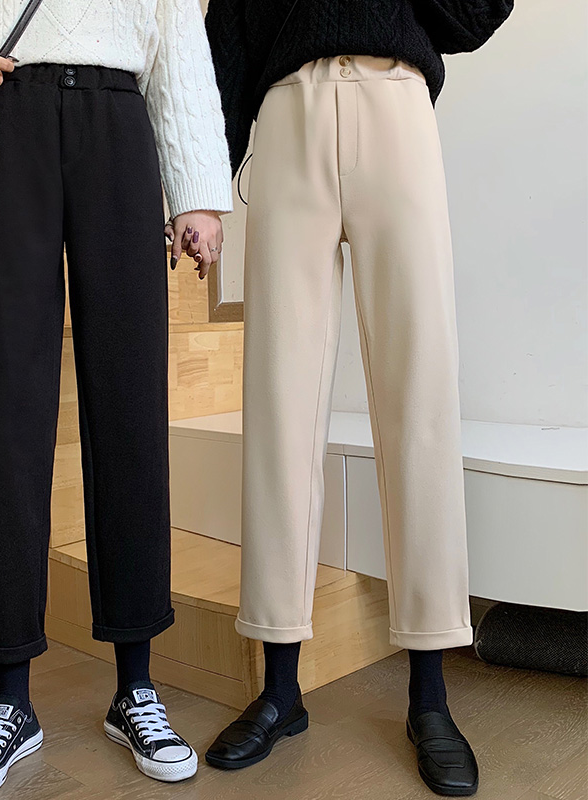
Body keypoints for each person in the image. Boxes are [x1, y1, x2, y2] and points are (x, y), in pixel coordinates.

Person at [0, 1, 232, 796]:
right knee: (5, 407)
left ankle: (136, 688)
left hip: (120, 123)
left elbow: (180, 48)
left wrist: (197, 191)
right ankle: (10, 700)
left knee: (130, 403)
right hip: (8, 115)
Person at [204, 0, 513, 795]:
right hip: (285, 114)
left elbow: (475, 15)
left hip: (396, 105)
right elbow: (228, 32)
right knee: (279, 404)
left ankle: (430, 697)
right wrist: (208, 176)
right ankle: (280, 689)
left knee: (421, 399)